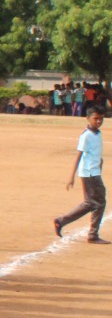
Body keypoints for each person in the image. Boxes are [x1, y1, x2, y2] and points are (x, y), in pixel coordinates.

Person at [54, 103, 106, 242]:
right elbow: (79, 155)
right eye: (96, 118)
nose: (99, 121)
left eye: (101, 119)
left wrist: (100, 162)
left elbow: (95, 152)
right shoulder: (86, 136)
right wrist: (72, 176)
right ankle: (92, 234)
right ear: (88, 118)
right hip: (89, 173)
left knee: (92, 203)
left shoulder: (97, 133)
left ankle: (62, 221)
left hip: (94, 172)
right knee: (98, 202)